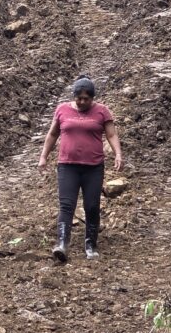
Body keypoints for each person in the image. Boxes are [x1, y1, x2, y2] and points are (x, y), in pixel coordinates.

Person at [36, 76, 124, 262]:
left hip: (93, 167)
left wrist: (118, 154)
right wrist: (43, 156)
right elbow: (53, 134)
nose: (83, 102)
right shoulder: (62, 109)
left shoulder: (102, 112)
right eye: (79, 98)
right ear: (74, 96)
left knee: (92, 206)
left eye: (87, 98)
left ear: (92, 98)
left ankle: (91, 244)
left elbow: (111, 134)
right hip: (68, 166)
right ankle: (61, 243)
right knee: (66, 205)